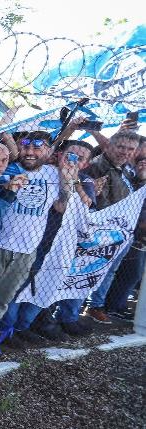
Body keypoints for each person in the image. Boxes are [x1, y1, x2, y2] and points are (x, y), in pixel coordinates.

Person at [0, 131, 79, 353]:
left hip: (29, 247)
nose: (30, 152)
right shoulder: (8, 167)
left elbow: (60, 207)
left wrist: (68, 182)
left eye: (36, 148)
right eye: (26, 147)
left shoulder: (53, 174)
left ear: (48, 151)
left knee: (5, 295)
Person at [82, 130, 142, 323]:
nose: (125, 152)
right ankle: (88, 306)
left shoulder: (126, 169)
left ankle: (95, 305)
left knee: (110, 270)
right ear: (110, 145)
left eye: (130, 149)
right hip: (106, 230)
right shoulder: (99, 167)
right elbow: (100, 202)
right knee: (94, 269)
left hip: (124, 230)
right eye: (121, 147)